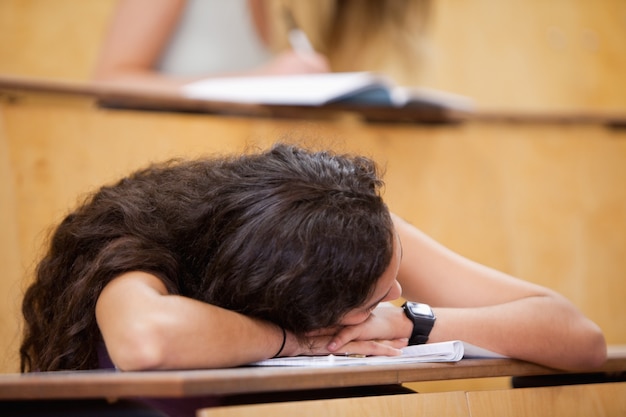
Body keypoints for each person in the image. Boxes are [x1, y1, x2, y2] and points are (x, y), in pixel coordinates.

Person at [20, 142, 606, 376]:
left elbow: (579, 338)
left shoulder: (350, 223)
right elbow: (147, 340)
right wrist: (296, 341)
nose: (399, 282)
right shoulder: (137, 242)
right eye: (374, 297)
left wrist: (406, 321)